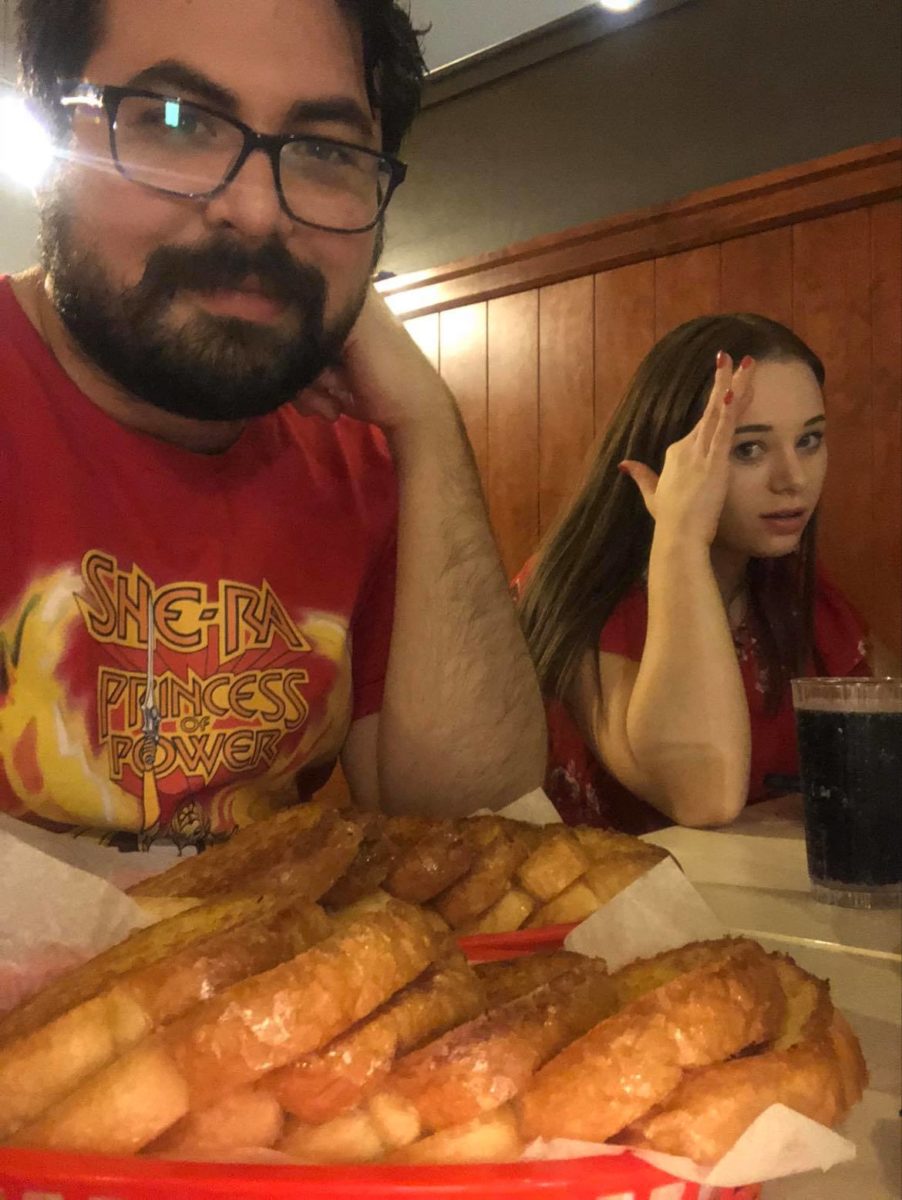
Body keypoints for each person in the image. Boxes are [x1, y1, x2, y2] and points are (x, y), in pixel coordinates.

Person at [0, 0, 546, 851]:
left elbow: (470, 833)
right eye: (177, 122)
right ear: (49, 149)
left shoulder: (361, 457)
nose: (257, 213)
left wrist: (431, 429)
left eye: (327, 151)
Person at [516, 313, 896, 834]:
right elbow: (702, 796)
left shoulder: (788, 585)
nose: (794, 479)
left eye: (809, 440)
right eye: (748, 448)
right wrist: (680, 536)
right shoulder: (579, 587)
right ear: (669, 458)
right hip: (617, 907)